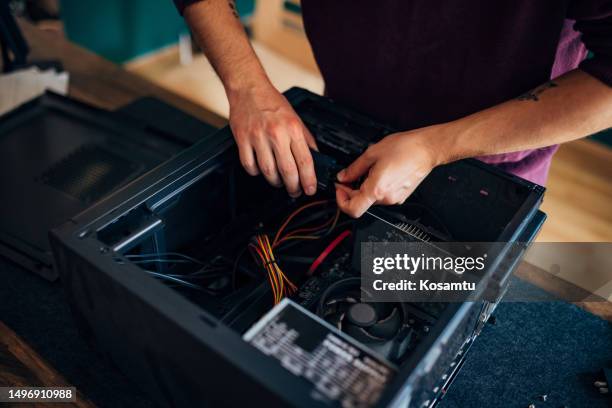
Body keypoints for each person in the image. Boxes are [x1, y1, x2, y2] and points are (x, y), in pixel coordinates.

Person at [174, 0, 612, 218]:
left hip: (485, 172)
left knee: (419, 317)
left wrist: (435, 147)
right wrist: (249, 88)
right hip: (346, 121)